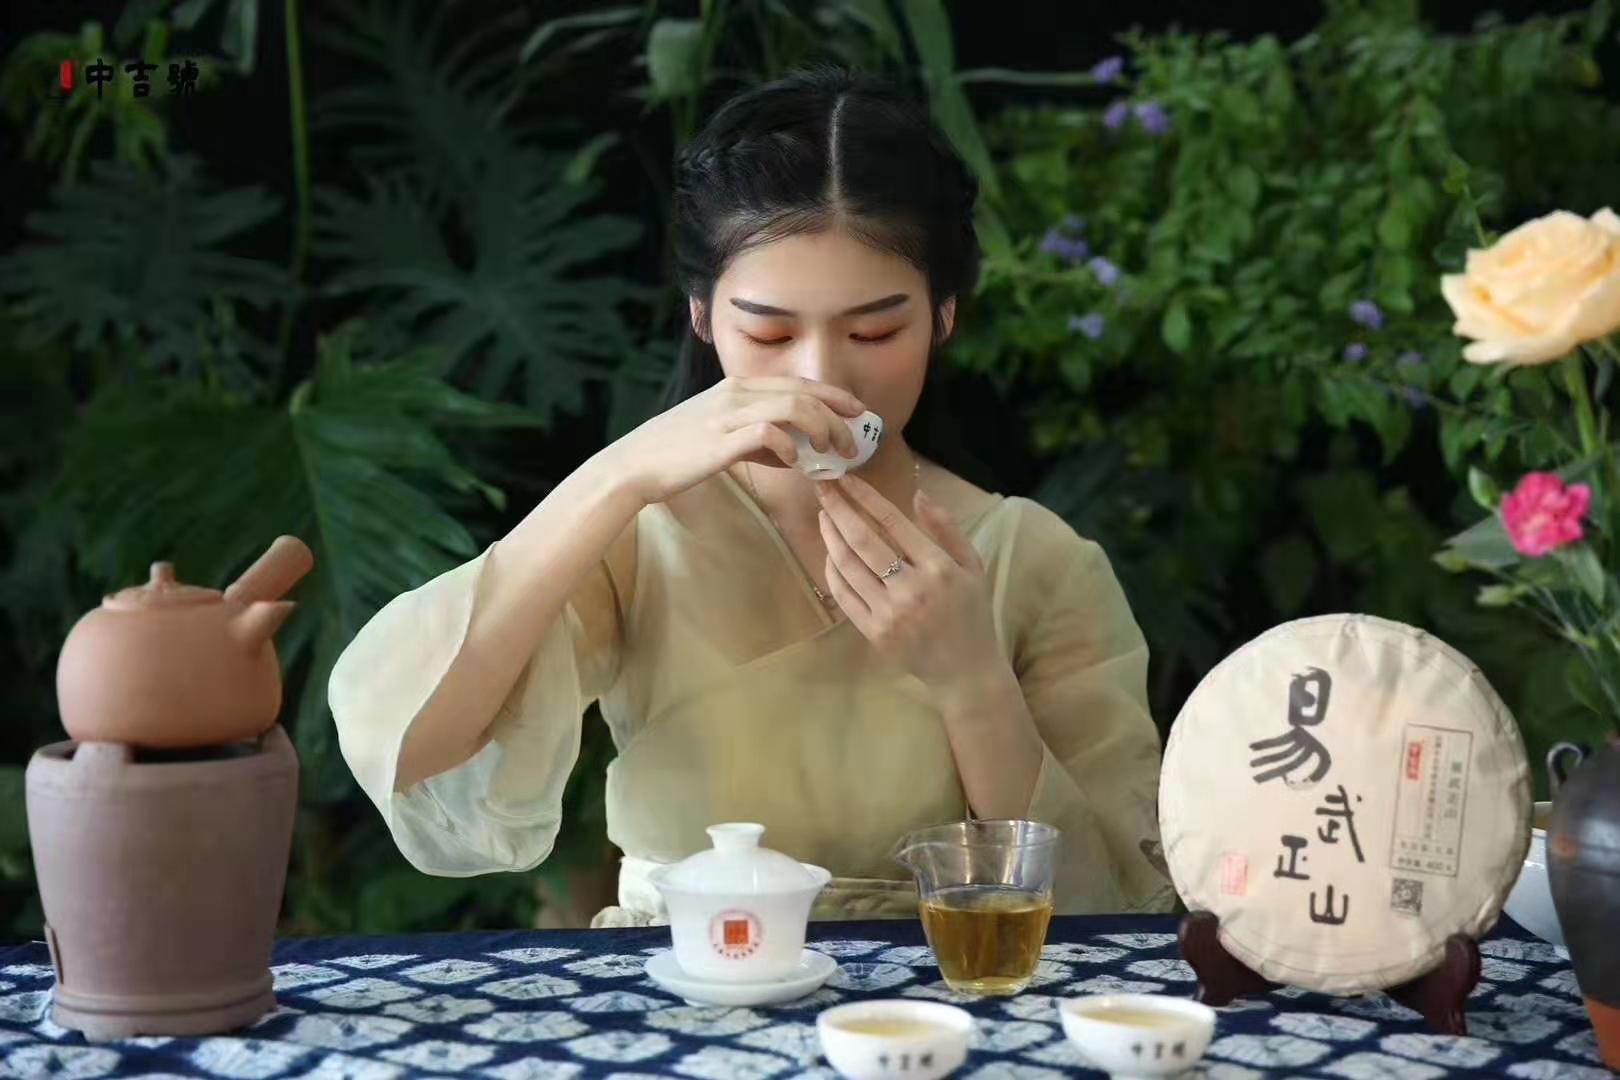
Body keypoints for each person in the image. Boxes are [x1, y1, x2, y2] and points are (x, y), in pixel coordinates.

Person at [329, 63, 1175, 928]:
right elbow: (407, 747)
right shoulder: (641, 532)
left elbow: (1114, 908)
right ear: (702, 315)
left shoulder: (1036, 558)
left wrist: (969, 678)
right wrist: (618, 475)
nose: (821, 376)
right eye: (769, 332)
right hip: (683, 982)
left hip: (941, 996)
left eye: (875, 330)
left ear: (944, 315)